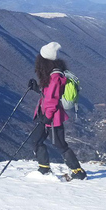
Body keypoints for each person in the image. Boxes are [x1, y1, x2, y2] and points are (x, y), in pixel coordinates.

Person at [27, 41, 87, 180]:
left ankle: (78, 172)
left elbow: (52, 100)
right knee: (36, 140)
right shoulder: (53, 74)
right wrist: (37, 88)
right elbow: (48, 94)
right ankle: (44, 169)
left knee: (59, 144)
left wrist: (47, 116)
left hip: (52, 117)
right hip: (47, 115)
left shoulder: (55, 77)